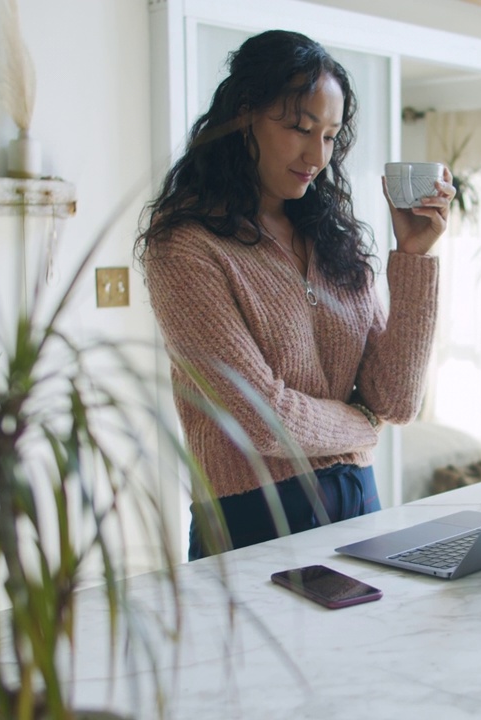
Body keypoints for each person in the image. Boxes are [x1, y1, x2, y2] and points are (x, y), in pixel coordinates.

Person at [137, 30, 454, 560]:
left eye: (330, 136)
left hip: (358, 501)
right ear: (243, 117)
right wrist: (359, 425)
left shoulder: (329, 238)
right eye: (299, 129)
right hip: (254, 519)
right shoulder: (186, 247)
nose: (316, 155)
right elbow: (260, 418)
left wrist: (416, 255)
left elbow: (394, 400)